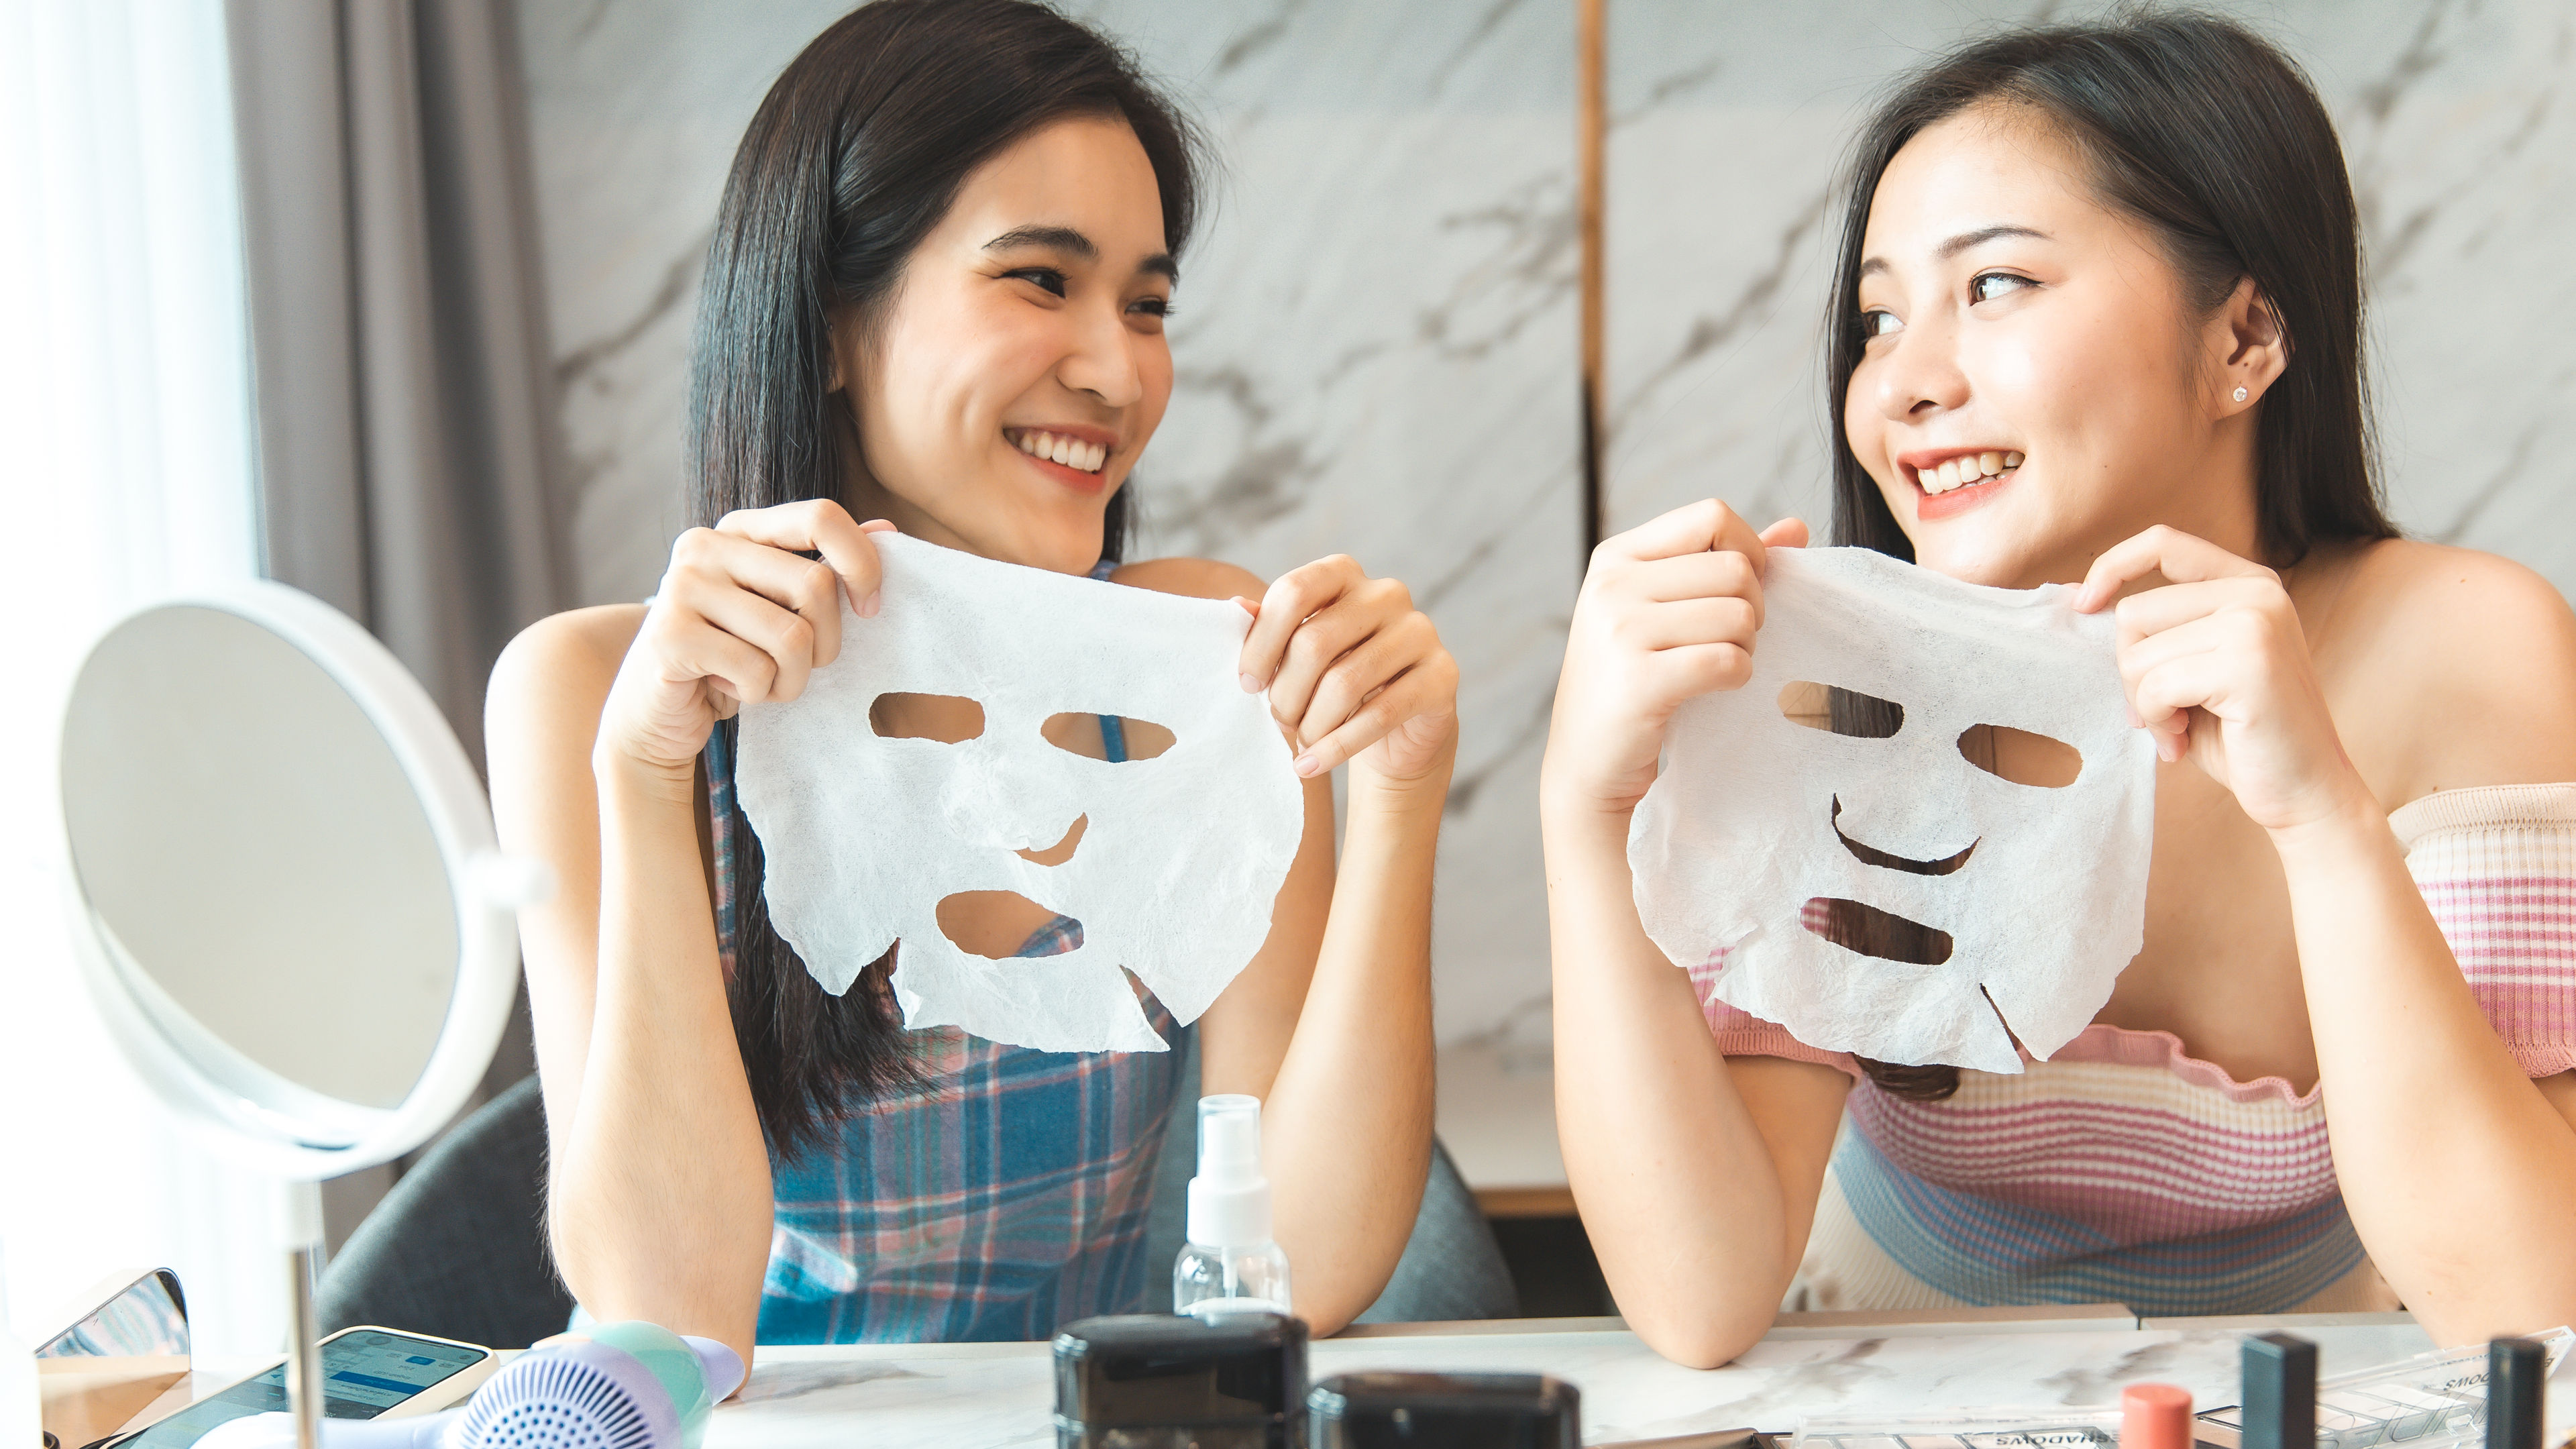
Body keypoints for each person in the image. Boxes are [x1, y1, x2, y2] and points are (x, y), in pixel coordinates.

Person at [1544, 11, 2576, 1366]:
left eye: (1996, 287)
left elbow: (2535, 1307)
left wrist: (2326, 822)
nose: (1904, 385)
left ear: (2248, 335)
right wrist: (1581, 803)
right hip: (1878, 1389)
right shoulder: (1833, 685)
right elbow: (1698, 1299)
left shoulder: (2465, 643)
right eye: (1879, 317)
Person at [485, 0, 1456, 1359]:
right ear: (830, 320)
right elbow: (668, 1315)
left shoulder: (1200, 656)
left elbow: (1305, 1268)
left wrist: (1399, 797)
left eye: (1148, 304)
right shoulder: (592, 690)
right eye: (1040, 280)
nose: (1117, 370)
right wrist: (644, 771)